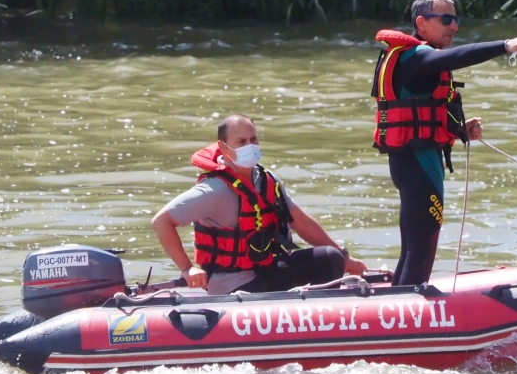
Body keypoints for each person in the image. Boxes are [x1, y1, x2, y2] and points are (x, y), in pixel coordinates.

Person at [371, 0, 517, 285]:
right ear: (421, 23)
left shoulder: (415, 60)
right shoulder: (418, 57)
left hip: (412, 162)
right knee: (421, 251)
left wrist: (460, 130)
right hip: (419, 167)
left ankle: (395, 304)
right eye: (446, 19)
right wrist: (505, 45)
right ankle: (411, 317)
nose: (454, 26)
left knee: (412, 250)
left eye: (456, 19)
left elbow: (422, 111)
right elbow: (459, 56)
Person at [152, 114, 366, 294]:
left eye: (253, 139)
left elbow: (301, 223)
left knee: (330, 258)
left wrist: (345, 258)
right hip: (233, 286)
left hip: (267, 271)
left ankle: (317, 322)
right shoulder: (213, 190)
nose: (250, 146)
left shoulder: (266, 180)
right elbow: (162, 221)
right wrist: (187, 268)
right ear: (223, 148)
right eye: (241, 142)